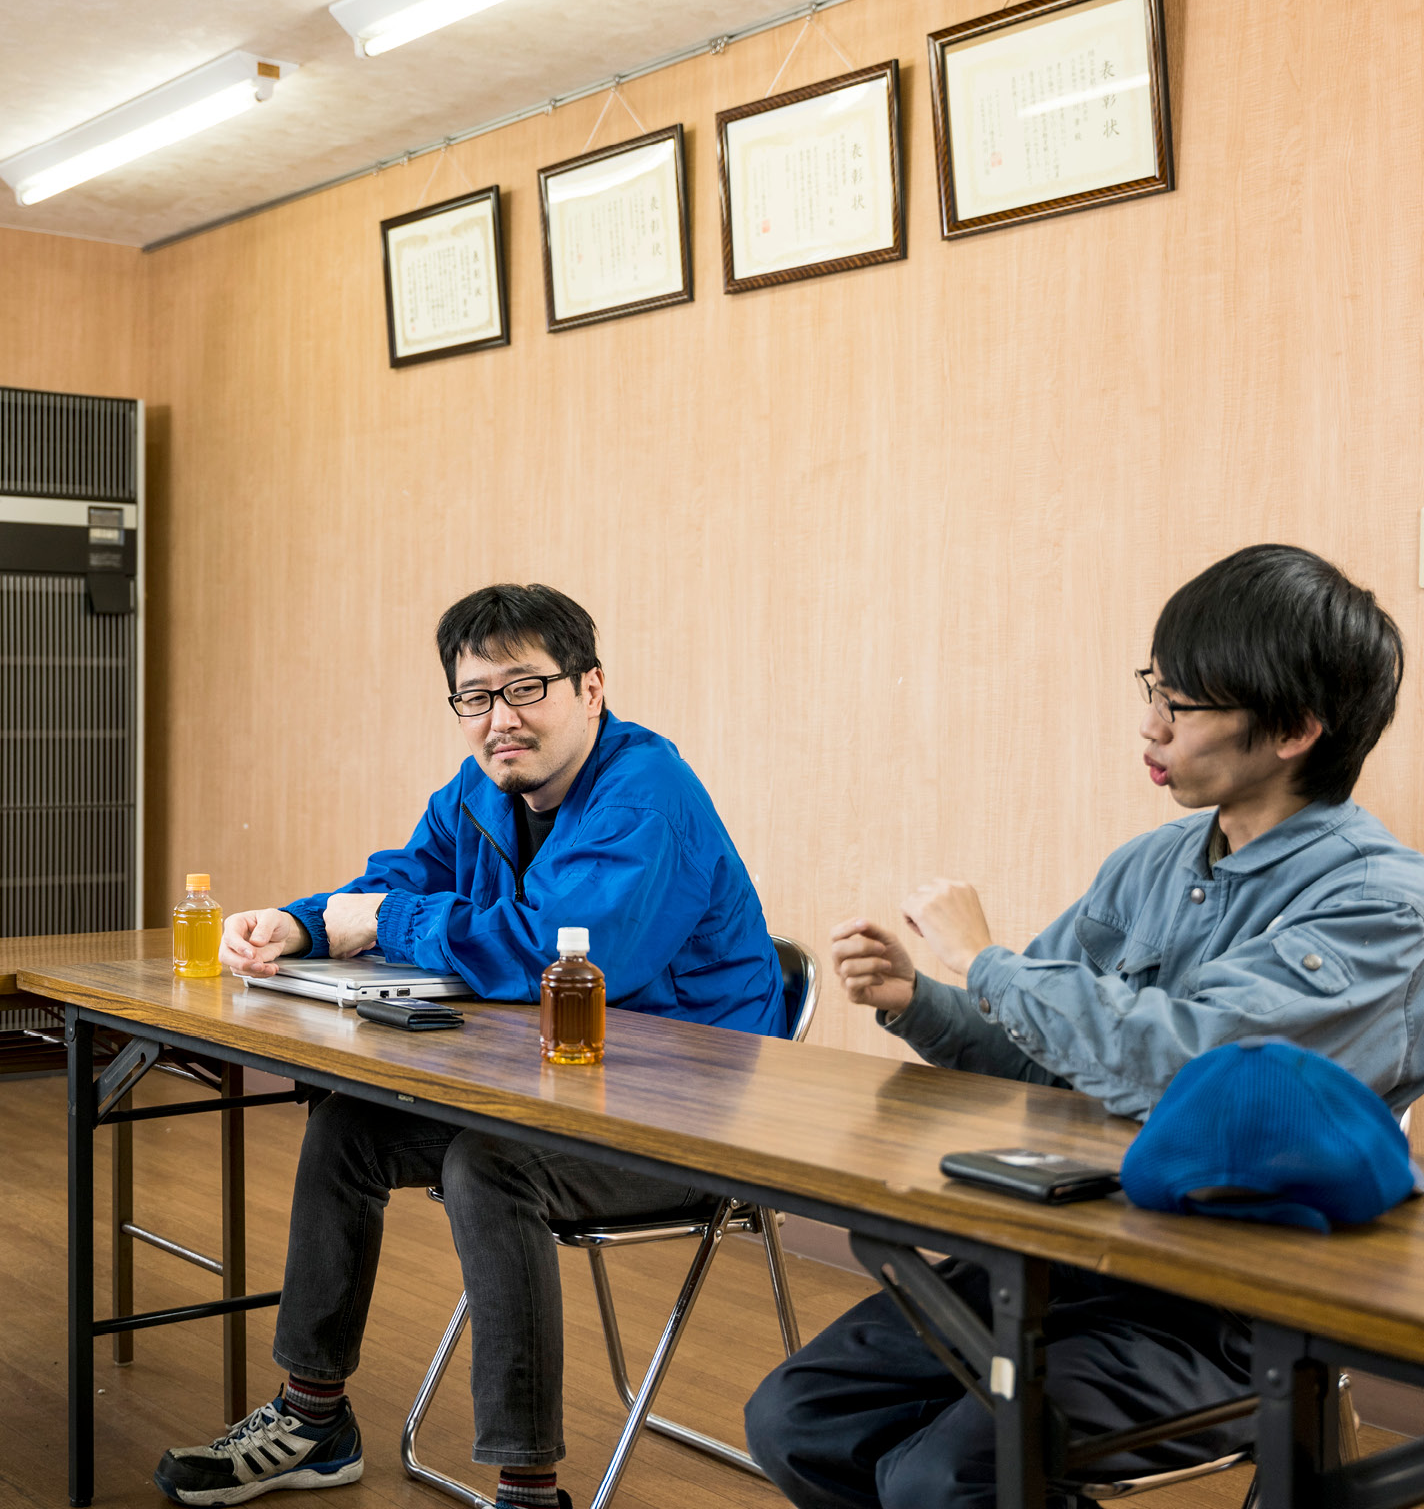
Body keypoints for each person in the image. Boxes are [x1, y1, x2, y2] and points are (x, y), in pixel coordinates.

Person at [744, 544, 1424, 1509]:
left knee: (946, 1479)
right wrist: (920, 1001)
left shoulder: (1386, 908)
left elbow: (1193, 1074)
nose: (1150, 725)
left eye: (1182, 706)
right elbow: (1048, 1060)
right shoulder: (1151, 864)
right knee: (799, 1420)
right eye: (1155, 688)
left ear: (1296, 729)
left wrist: (988, 963)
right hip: (1070, 1252)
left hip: (1236, 1307)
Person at [154, 583, 786, 1508]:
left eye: (526, 688)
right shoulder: (483, 788)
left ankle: (531, 1491)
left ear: (592, 687)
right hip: (561, 1091)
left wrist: (378, 920)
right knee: (349, 1127)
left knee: (492, 1168)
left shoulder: (648, 796)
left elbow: (559, 950)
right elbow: (401, 881)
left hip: (691, 1116)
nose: (501, 719)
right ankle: (313, 1420)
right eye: (476, 696)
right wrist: (303, 923)